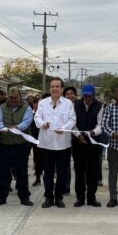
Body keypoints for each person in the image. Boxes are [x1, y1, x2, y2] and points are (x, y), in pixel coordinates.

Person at [34, 78, 76, 208]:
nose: (55, 89)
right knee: (48, 173)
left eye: (57, 86)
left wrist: (64, 128)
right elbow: (37, 117)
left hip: (63, 144)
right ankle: (48, 197)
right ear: (49, 88)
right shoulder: (42, 103)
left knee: (62, 173)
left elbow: (72, 119)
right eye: (52, 86)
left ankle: (59, 197)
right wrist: (42, 124)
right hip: (47, 143)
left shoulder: (68, 103)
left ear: (62, 89)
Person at [0, 87, 34, 206]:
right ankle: (1, 198)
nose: (12, 100)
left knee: (22, 172)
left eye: (15, 98)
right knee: (3, 172)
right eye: (10, 97)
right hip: (5, 144)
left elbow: (27, 121)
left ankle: (24, 197)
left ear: (20, 97)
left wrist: (17, 127)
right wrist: (2, 128)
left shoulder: (27, 108)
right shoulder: (1, 108)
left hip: (21, 145)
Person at [71, 84, 103, 207]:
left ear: (93, 95)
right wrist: (79, 135)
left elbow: (100, 125)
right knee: (79, 171)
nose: (87, 98)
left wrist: (92, 133)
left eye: (89, 96)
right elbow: (72, 123)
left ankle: (91, 197)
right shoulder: (75, 105)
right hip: (78, 142)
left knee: (92, 171)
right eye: (85, 95)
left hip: (93, 142)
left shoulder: (100, 106)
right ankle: (80, 198)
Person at [30, 96, 44, 187]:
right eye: (37, 103)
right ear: (34, 105)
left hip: (46, 141)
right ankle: (38, 178)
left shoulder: (46, 114)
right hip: (36, 141)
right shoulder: (31, 114)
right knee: (37, 160)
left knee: (46, 161)